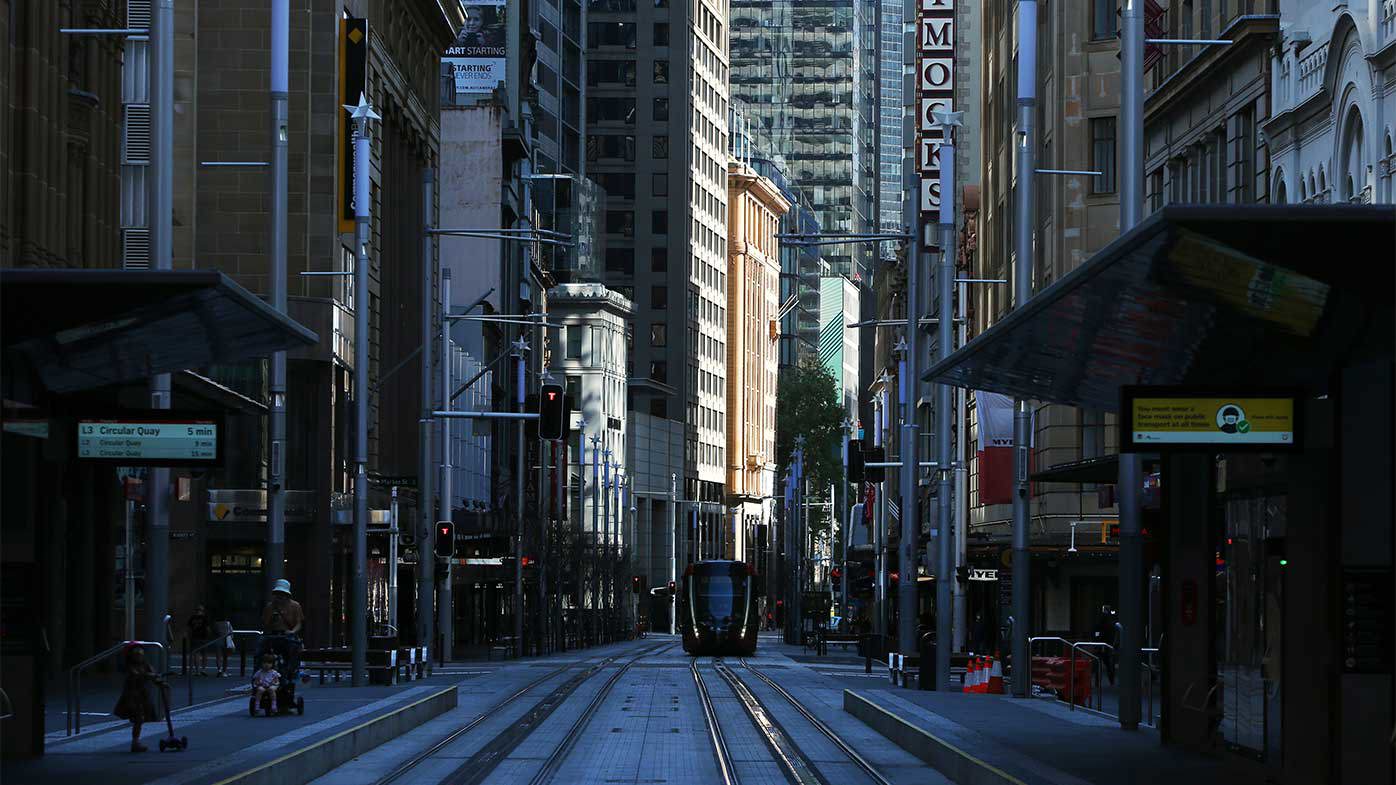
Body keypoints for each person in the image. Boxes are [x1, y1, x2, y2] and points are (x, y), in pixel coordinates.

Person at [112, 643, 163, 752]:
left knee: (140, 718)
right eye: (136, 653)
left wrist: (158, 681)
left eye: (140, 653)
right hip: (132, 694)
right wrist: (149, 676)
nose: (139, 655)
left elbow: (152, 674)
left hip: (141, 694)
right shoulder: (130, 666)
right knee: (138, 718)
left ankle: (135, 742)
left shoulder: (145, 664)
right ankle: (135, 742)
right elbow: (136, 675)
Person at [1093, 604, 1118, 684]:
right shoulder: (1111, 620)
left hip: (1101, 644)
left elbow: (1096, 630)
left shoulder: (1100, 618)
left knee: (1099, 663)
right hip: (1108, 644)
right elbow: (1113, 632)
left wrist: (1096, 640)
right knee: (1109, 664)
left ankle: (1098, 681)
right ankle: (1111, 680)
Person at [187, 605, 211, 674]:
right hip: (203, 637)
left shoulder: (192, 618)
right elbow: (208, 629)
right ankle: (203, 669)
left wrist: (189, 636)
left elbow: (189, 629)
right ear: (202, 611)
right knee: (204, 654)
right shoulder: (205, 618)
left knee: (196, 654)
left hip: (195, 637)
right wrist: (208, 636)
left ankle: (197, 670)